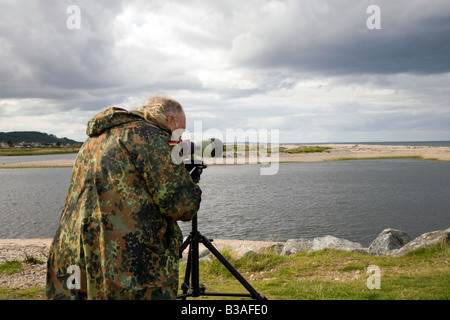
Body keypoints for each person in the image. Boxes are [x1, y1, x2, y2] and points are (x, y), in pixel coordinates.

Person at [46, 94, 202, 300]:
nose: (179, 137)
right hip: (124, 262)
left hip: (74, 254)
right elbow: (182, 205)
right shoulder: (152, 137)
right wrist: (190, 181)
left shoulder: (94, 139)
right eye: (180, 130)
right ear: (170, 120)